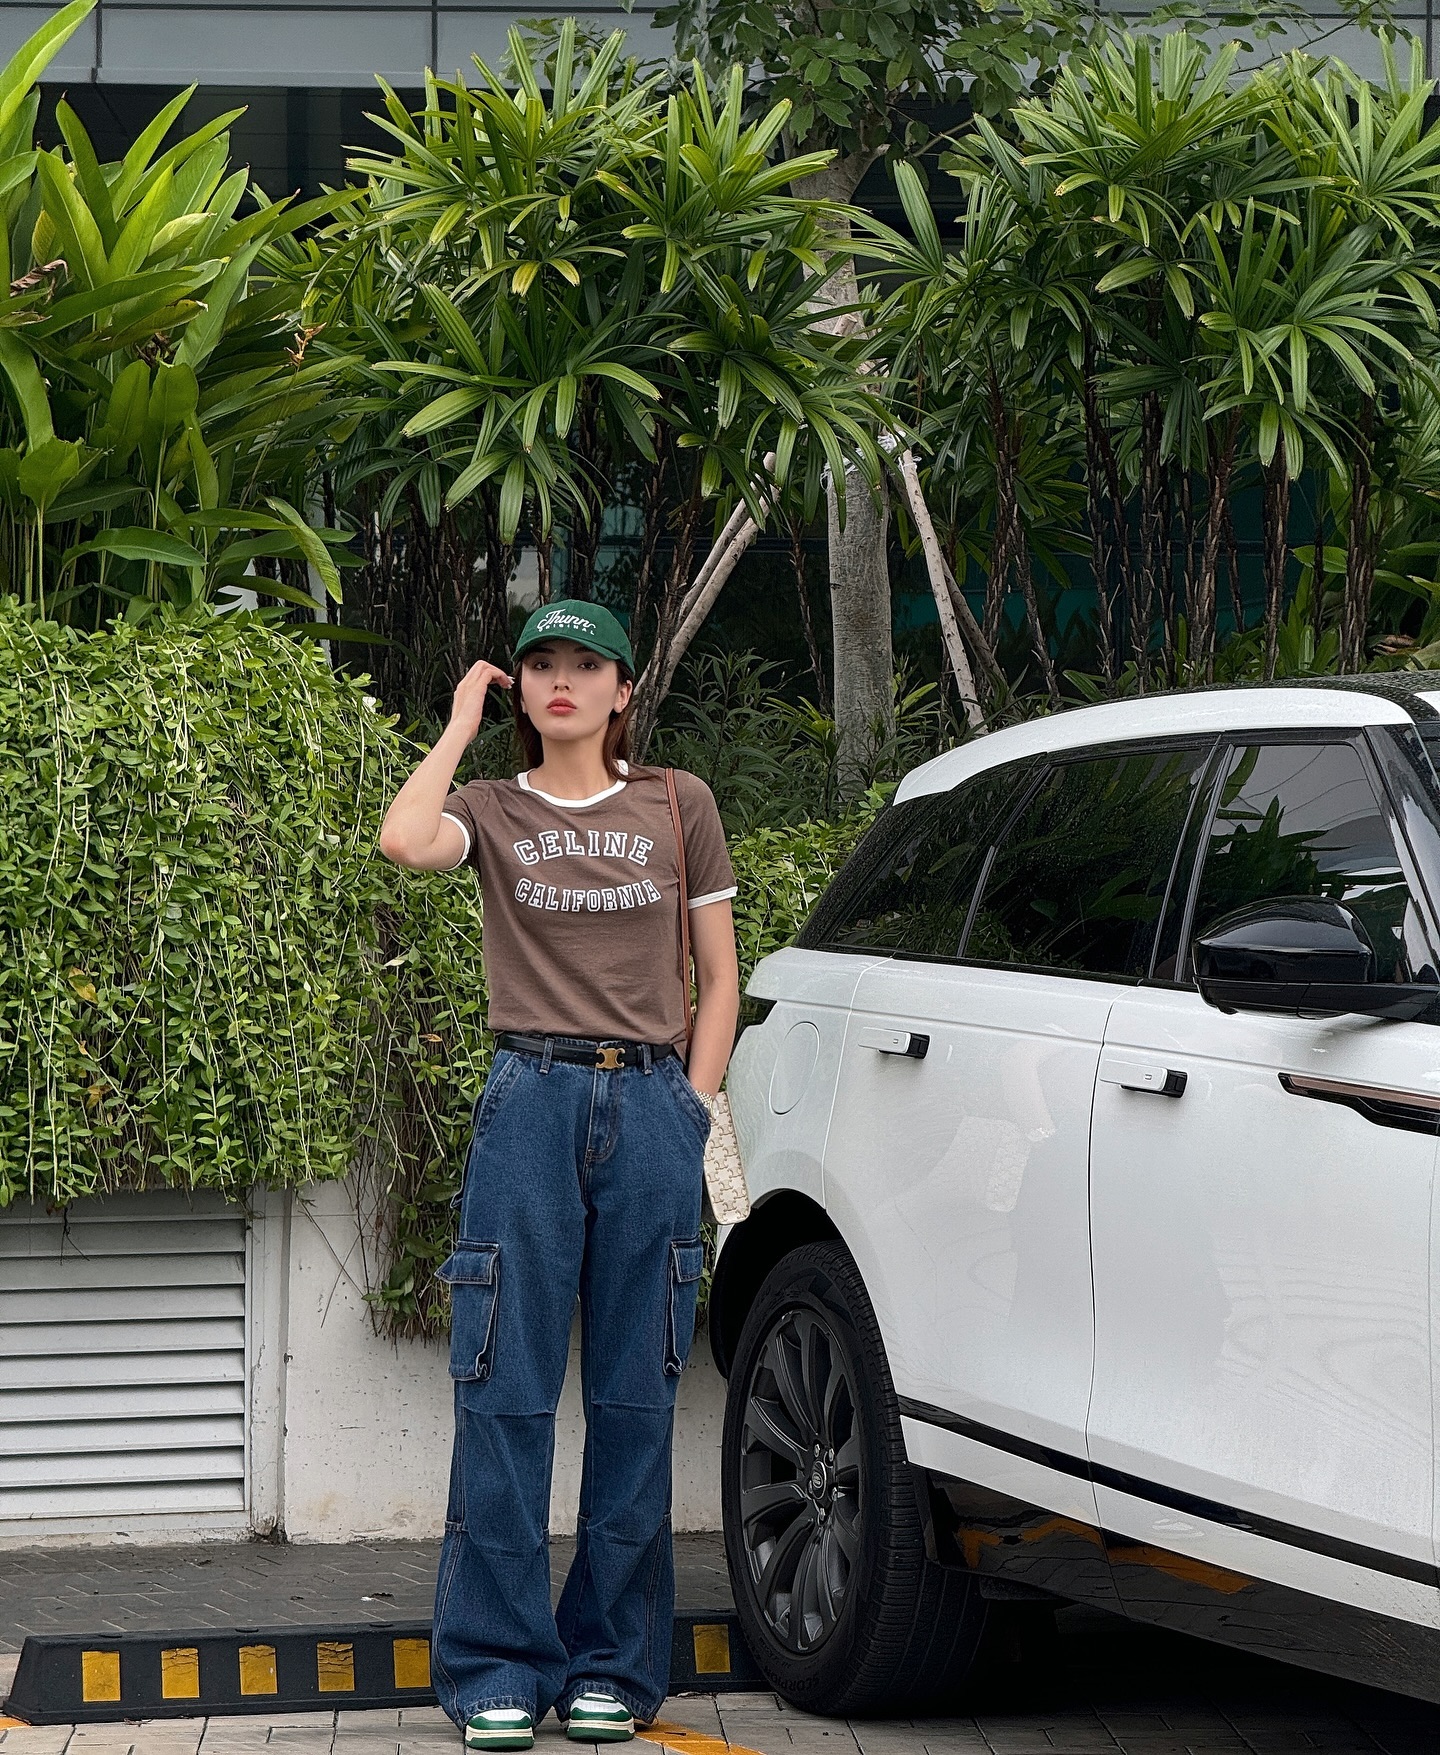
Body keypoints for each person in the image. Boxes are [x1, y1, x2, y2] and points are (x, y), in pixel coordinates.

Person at [378, 599, 741, 1751]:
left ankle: (612, 1668)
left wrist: (689, 1108)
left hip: (650, 1103)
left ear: (624, 689)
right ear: (522, 692)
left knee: (637, 1397)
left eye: (588, 663)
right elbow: (404, 839)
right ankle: (494, 1666)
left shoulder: (678, 803)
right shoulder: (493, 808)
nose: (563, 680)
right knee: (505, 1390)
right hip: (528, 1104)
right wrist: (457, 723)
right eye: (542, 664)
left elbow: (721, 978)